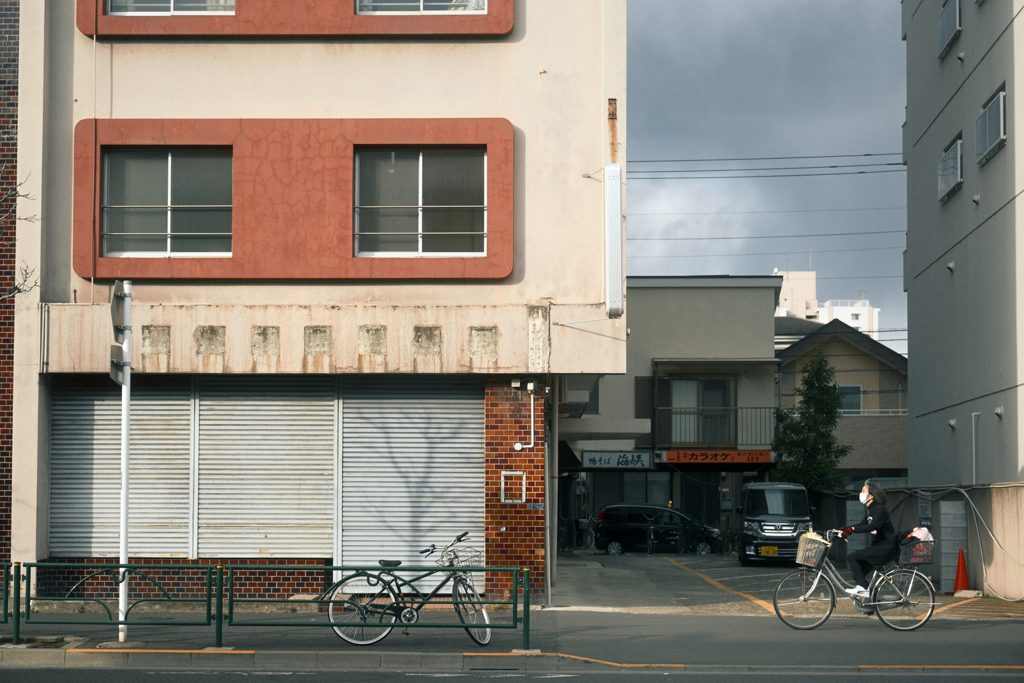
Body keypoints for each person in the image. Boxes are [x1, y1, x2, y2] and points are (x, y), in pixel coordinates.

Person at [837, 479, 897, 598]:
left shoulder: (880, 510)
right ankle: (871, 603)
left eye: (863, 491)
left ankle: (864, 590)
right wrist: (844, 530)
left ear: (871, 495)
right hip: (878, 547)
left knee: (852, 557)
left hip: (885, 548)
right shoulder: (871, 510)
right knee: (858, 575)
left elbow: (872, 526)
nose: (861, 493)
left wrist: (851, 530)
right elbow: (861, 524)